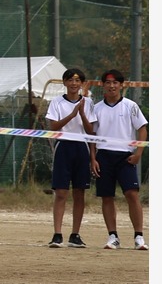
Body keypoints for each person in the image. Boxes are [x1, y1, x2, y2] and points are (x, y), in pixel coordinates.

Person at [89, 69, 149, 251]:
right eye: (108, 82)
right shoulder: (96, 107)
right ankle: (113, 236)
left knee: (132, 194)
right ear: (103, 85)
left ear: (121, 85)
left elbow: (142, 128)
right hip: (104, 156)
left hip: (125, 156)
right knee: (107, 197)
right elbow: (91, 135)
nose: (112, 86)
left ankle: (139, 236)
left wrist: (138, 152)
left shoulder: (130, 106)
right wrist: (93, 158)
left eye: (116, 82)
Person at [45, 67, 97, 249]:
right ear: (65, 83)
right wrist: (72, 114)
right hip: (63, 147)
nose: (74, 83)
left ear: (82, 83)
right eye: (70, 80)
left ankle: (75, 235)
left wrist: (82, 113)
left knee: (79, 193)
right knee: (61, 193)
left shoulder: (89, 103)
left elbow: (92, 132)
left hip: (81, 148)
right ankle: (57, 234)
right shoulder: (57, 102)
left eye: (77, 80)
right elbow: (53, 127)